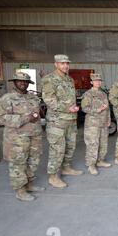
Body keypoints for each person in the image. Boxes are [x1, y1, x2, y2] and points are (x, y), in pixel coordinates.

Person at [0, 72, 44, 201]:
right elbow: (1, 117)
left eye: (25, 81)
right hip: (17, 138)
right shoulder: (7, 98)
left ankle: (29, 184)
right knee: (18, 163)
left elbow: (37, 114)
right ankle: (20, 190)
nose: (23, 83)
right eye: (20, 81)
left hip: (34, 135)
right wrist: (25, 118)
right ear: (15, 82)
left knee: (33, 161)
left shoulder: (33, 98)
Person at [42, 54, 83, 188]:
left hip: (71, 119)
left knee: (70, 146)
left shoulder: (69, 80)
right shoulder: (49, 79)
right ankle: (53, 176)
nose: (65, 66)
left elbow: (70, 98)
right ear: (56, 64)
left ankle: (66, 167)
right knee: (57, 149)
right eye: (62, 63)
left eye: (67, 63)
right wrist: (67, 108)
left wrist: (74, 108)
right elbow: (49, 100)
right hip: (57, 121)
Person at [81, 73, 112, 175]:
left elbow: (107, 109)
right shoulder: (88, 94)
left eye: (99, 81)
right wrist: (98, 109)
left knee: (103, 143)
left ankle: (100, 161)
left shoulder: (103, 94)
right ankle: (91, 165)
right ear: (91, 82)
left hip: (103, 123)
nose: (98, 82)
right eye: (95, 81)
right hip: (92, 124)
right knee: (93, 144)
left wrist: (108, 119)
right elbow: (85, 108)